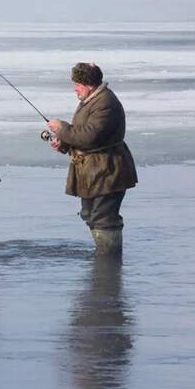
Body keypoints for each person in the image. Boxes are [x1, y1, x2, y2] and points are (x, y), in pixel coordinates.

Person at [47, 63, 137, 255]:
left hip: (107, 170)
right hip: (92, 170)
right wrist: (63, 144)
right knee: (89, 213)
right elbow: (83, 134)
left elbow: (89, 136)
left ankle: (109, 260)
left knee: (103, 217)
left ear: (88, 84)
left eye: (77, 84)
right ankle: (104, 256)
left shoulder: (105, 102)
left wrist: (62, 128)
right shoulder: (91, 99)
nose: (75, 89)